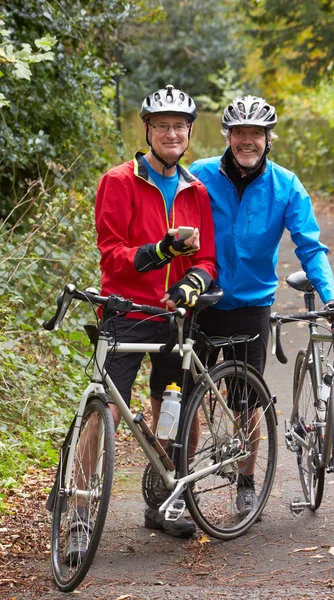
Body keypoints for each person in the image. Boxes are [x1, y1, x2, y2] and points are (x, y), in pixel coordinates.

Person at [189, 94, 334, 518]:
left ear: (267, 138)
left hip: (250, 305)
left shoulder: (286, 186)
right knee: (186, 397)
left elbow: (310, 248)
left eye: (255, 133)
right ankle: (178, 486)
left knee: (247, 400)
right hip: (201, 300)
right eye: (239, 132)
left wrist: (331, 294)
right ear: (228, 135)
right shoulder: (199, 176)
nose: (247, 140)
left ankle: (245, 482)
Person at [94, 85, 216, 542]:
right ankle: (79, 499)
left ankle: (169, 496)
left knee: (178, 405)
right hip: (127, 312)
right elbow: (111, 254)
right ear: (147, 130)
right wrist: (161, 250)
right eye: (162, 125)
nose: (171, 133)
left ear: (189, 133)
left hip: (175, 317)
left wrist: (191, 283)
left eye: (179, 126)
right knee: (102, 407)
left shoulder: (196, 190)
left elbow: (208, 260)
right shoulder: (119, 181)